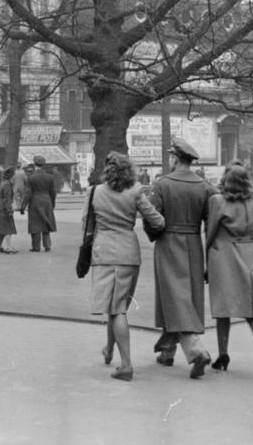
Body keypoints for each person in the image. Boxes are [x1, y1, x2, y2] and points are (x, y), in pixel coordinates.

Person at [88, 152, 164, 381]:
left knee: (116, 309)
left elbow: (87, 225)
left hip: (103, 254)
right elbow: (158, 221)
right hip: (129, 254)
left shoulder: (95, 192)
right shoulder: (135, 191)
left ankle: (127, 364)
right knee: (118, 306)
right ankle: (110, 349)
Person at [148, 137, 219, 379]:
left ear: (175, 159)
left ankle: (196, 351)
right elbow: (212, 227)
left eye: (170, 156)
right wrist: (209, 259)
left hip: (168, 244)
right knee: (182, 296)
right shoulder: (206, 187)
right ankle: (167, 352)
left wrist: (155, 233)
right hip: (194, 246)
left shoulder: (162, 184)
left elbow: (151, 218)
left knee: (173, 297)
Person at [205, 165, 253, 381]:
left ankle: (223, 355)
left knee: (223, 308)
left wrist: (206, 262)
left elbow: (210, 233)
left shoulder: (218, 201)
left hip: (227, 256)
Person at [20, 155, 57, 252]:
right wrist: (52, 203)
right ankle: (47, 245)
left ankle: (36, 246)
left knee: (35, 224)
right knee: (46, 222)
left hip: (35, 201)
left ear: (34, 163)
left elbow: (27, 193)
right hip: (47, 200)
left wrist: (23, 206)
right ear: (43, 164)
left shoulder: (31, 177)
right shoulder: (50, 177)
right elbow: (53, 192)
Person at [0, 166, 18, 254]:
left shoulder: (3, 183)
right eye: (14, 175)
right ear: (11, 176)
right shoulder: (7, 185)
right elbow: (7, 199)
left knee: (2, 228)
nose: (15, 177)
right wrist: (9, 211)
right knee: (8, 228)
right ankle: (8, 247)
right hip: (4, 208)